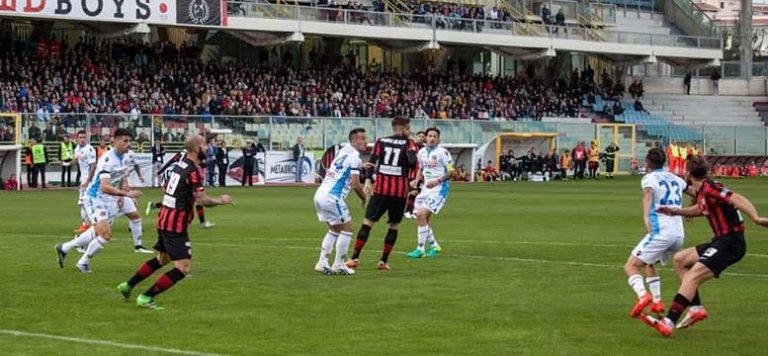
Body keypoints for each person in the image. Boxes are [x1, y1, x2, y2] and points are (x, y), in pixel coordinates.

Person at [641, 154, 768, 336]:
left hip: (731, 243)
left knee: (693, 275)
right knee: (680, 260)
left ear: (688, 173)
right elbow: (702, 209)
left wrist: (755, 218)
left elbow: (737, 198)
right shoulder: (703, 191)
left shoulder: (711, 188)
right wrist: (675, 212)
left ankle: (669, 321)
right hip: (720, 241)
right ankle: (695, 308)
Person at [116, 134, 233, 309]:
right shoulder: (193, 171)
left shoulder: (183, 161)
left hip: (164, 218)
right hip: (175, 224)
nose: (208, 148)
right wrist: (221, 201)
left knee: (162, 259)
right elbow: (202, 200)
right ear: (195, 149)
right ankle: (146, 297)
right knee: (183, 268)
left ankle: (127, 286)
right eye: (204, 145)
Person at [55, 129, 145, 273]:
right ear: (115, 141)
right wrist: (127, 194)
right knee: (105, 235)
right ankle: (82, 262)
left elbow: (121, 176)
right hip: (94, 197)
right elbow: (104, 187)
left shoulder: (126, 156)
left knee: (99, 232)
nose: (128, 144)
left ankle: (64, 248)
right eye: (125, 141)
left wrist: (123, 193)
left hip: (110, 198)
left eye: (130, 141)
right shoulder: (107, 159)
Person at [625, 148, 694, 320]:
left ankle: (643, 296)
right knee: (649, 263)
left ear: (648, 163)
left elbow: (648, 194)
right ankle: (657, 301)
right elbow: (695, 192)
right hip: (679, 236)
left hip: (662, 232)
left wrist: (646, 216)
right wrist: (691, 211)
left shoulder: (649, 178)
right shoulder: (675, 177)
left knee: (631, 266)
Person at [346, 116, 418, 270]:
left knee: (368, 223)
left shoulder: (381, 141)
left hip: (381, 189)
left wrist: (366, 181)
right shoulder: (409, 143)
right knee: (393, 225)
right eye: (407, 128)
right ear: (401, 128)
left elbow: (371, 162)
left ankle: (354, 258)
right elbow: (412, 163)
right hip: (399, 192)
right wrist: (410, 156)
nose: (409, 131)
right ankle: (383, 261)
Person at [313, 128, 368, 275]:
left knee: (334, 229)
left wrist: (360, 166)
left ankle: (322, 262)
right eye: (362, 138)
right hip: (332, 197)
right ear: (354, 140)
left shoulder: (343, 151)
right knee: (347, 229)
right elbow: (356, 184)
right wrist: (364, 198)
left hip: (320, 194)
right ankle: (339, 264)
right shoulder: (355, 156)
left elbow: (342, 166)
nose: (366, 142)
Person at [406, 128, 454, 259]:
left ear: (438, 139)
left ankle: (420, 249)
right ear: (426, 138)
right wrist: (416, 180)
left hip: (439, 189)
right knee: (421, 218)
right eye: (430, 136)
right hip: (426, 189)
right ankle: (434, 245)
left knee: (421, 214)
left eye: (435, 136)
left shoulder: (443, 153)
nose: (432, 138)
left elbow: (452, 172)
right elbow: (421, 168)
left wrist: (437, 181)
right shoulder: (421, 152)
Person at [145, 148, 215, 229]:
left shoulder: (184, 153)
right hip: (184, 180)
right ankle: (201, 223)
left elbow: (171, 161)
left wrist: (160, 171)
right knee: (184, 200)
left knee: (180, 200)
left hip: (180, 178)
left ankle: (155, 207)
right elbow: (175, 162)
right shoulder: (189, 155)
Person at [72, 130, 98, 234]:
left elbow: (93, 166)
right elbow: (76, 159)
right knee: (84, 203)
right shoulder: (77, 149)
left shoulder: (90, 149)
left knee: (84, 202)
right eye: (80, 137)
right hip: (83, 179)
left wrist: (88, 181)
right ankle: (88, 225)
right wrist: (66, 163)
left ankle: (88, 225)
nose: (82, 139)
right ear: (77, 139)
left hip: (89, 180)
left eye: (84, 137)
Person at [404, 131, 426, 219]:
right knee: (413, 192)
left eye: (423, 136)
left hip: (421, 175)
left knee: (417, 194)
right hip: (411, 174)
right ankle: (407, 211)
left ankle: (412, 211)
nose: (421, 138)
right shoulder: (412, 146)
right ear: (416, 137)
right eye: (419, 136)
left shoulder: (425, 149)